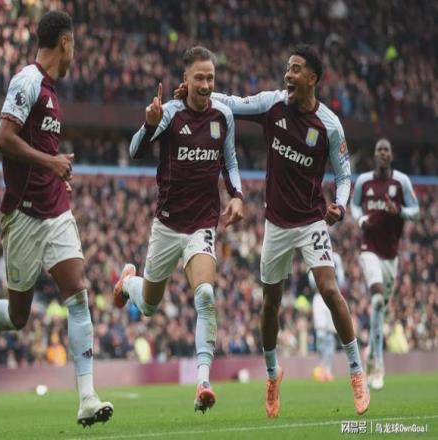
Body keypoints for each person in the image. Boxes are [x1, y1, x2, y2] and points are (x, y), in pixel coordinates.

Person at [176, 44, 370, 417]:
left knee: (330, 290)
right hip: (277, 223)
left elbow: (344, 174)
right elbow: (233, 103)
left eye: (296, 69)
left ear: (313, 78)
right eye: (287, 68)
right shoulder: (272, 104)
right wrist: (198, 93)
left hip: (311, 220)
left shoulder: (329, 124)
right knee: (271, 304)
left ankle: (356, 371)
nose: (288, 75)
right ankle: (271, 374)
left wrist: (341, 204)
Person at [0, 11, 113, 427]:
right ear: (65, 42)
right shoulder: (27, 81)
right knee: (18, 316)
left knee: (77, 293)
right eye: (74, 45)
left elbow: (41, 154)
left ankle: (87, 397)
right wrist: (51, 162)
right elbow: (3, 140)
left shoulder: (53, 93)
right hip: (23, 214)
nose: (75, 54)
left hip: (55, 209)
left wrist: (56, 173)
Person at [113, 46, 244, 413]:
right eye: (199, 77)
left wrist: (237, 196)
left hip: (203, 223)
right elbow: (135, 150)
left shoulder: (223, 116)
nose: (206, 84)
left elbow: (230, 161)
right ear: (185, 80)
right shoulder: (170, 113)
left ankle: (203, 382)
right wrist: (149, 124)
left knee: (206, 296)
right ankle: (128, 283)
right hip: (168, 225)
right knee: (149, 305)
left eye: (210, 78)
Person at [350, 138, 419, 390]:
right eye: (379, 149)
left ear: (391, 155)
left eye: (386, 150)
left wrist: (398, 210)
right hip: (369, 249)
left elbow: (416, 210)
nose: (382, 153)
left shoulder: (401, 182)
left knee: (380, 309)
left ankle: (371, 353)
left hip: (391, 255)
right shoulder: (363, 181)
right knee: (377, 300)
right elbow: (354, 205)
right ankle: (377, 365)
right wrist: (361, 221)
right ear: (374, 155)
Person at [310, 252, 345, 382]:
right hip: (319, 297)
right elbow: (311, 281)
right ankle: (322, 366)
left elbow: (342, 280)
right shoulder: (314, 253)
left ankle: (328, 370)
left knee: (330, 335)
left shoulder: (336, 257)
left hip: (332, 296)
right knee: (320, 335)